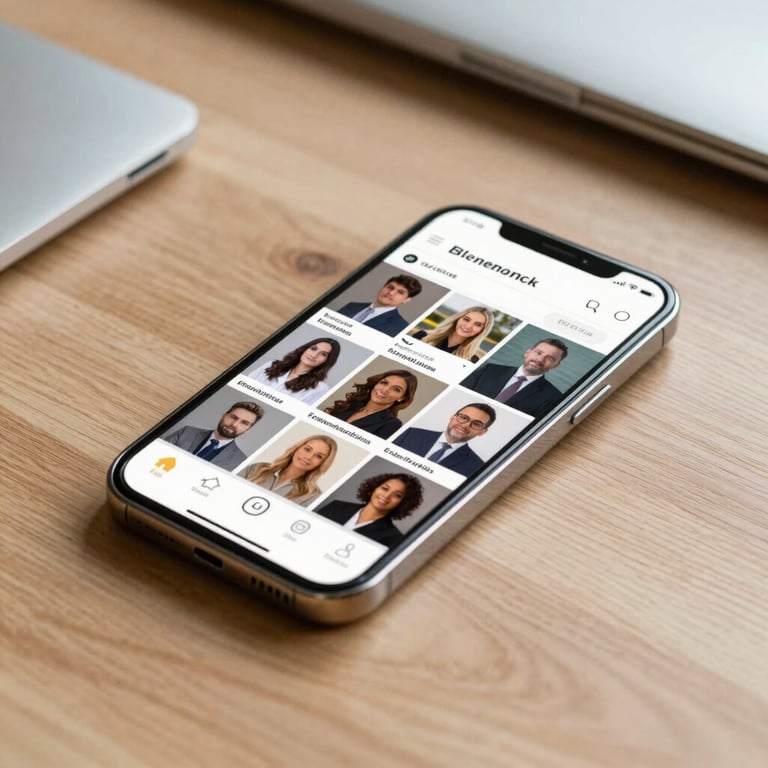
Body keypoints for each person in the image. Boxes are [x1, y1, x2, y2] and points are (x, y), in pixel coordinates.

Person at [460, 338, 568, 418]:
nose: (540, 359)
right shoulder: (489, 370)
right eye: (538, 353)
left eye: (550, 358)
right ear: (528, 352)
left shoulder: (553, 398)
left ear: (556, 365)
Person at [315, 473, 424, 548]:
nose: (386, 496)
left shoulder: (393, 538)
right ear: (374, 488)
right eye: (385, 488)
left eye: (397, 495)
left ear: (403, 502)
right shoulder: (336, 506)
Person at [392, 403, 496, 477]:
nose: (465, 425)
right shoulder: (409, 434)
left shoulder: (476, 467)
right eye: (463, 418)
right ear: (452, 417)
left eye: (476, 424)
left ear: (482, 432)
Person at [239, 435, 337, 506]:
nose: (309, 457)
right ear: (297, 448)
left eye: (319, 456)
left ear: (323, 463)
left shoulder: (312, 496)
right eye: (307, 449)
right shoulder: (257, 468)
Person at [164, 401, 264, 471]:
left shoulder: (239, 461)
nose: (234, 424)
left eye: (244, 423)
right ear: (224, 415)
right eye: (233, 417)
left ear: (248, 429)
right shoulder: (187, 432)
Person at [324, 369, 417, 439]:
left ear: (402, 397)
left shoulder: (392, 424)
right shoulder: (350, 405)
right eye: (384, 383)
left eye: (396, 389)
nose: (384, 390)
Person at [247, 337, 340, 404]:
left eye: (323, 354)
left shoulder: (320, 388)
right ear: (305, 349)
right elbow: (245, 383)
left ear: (327, 361)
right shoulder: (272, 365)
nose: (314, 355)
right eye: (313, 349)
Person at [337, 274, 422, 336]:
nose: (391, 293)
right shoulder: (352, 306)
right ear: (383, 287)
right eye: (390, 287)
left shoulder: (400, 326)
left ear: (407, 300)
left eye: (400, 292)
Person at [411, 306, 493, 362]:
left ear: (482, 330)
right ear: (458, 319)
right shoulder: (423, 336)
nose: (468, 326)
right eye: (466, 319)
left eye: (477, 325)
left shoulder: (473, 359)